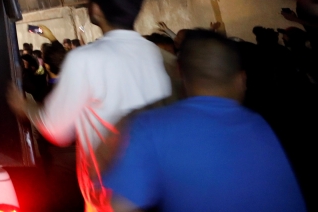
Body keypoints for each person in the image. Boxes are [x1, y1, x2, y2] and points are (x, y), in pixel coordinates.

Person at [7, 0, 171, 212]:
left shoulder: (84, 59)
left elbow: (56, 129)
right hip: (158, 190)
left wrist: (25, 107)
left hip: (109, 197)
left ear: (95, 9)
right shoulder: (155, 53)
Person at [105, 30, 305, 212]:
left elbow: (122, 207)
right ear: (242, 79)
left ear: (181, 75)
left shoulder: (150, 127)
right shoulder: (267, 126)